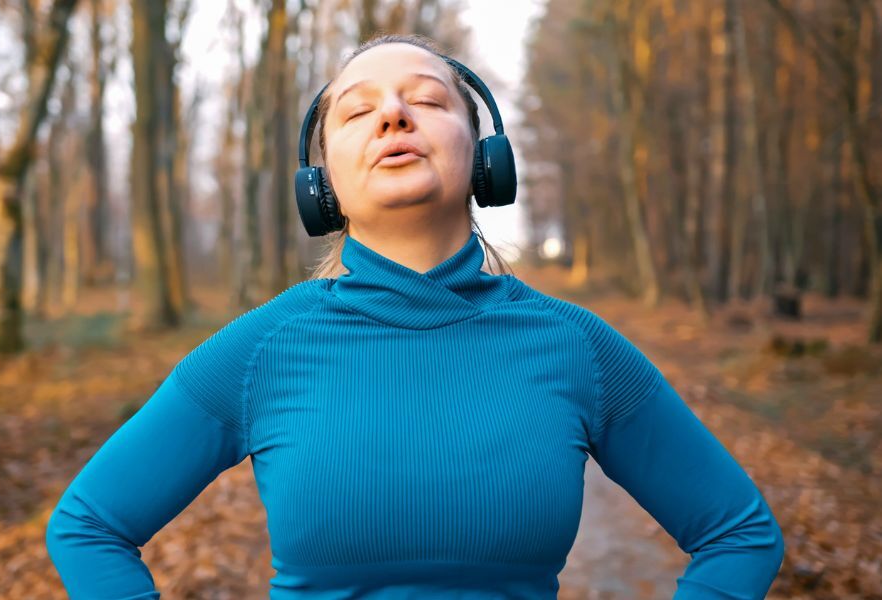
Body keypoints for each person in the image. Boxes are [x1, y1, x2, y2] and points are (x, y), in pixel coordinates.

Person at [45, 34, 785, 599]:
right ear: (322, 181)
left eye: (427, 100)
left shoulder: (577, 347)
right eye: (358, 110)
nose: (393, 113)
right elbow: (89, 527)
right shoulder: (261, 350)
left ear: (485, 156)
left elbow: (739, 534)